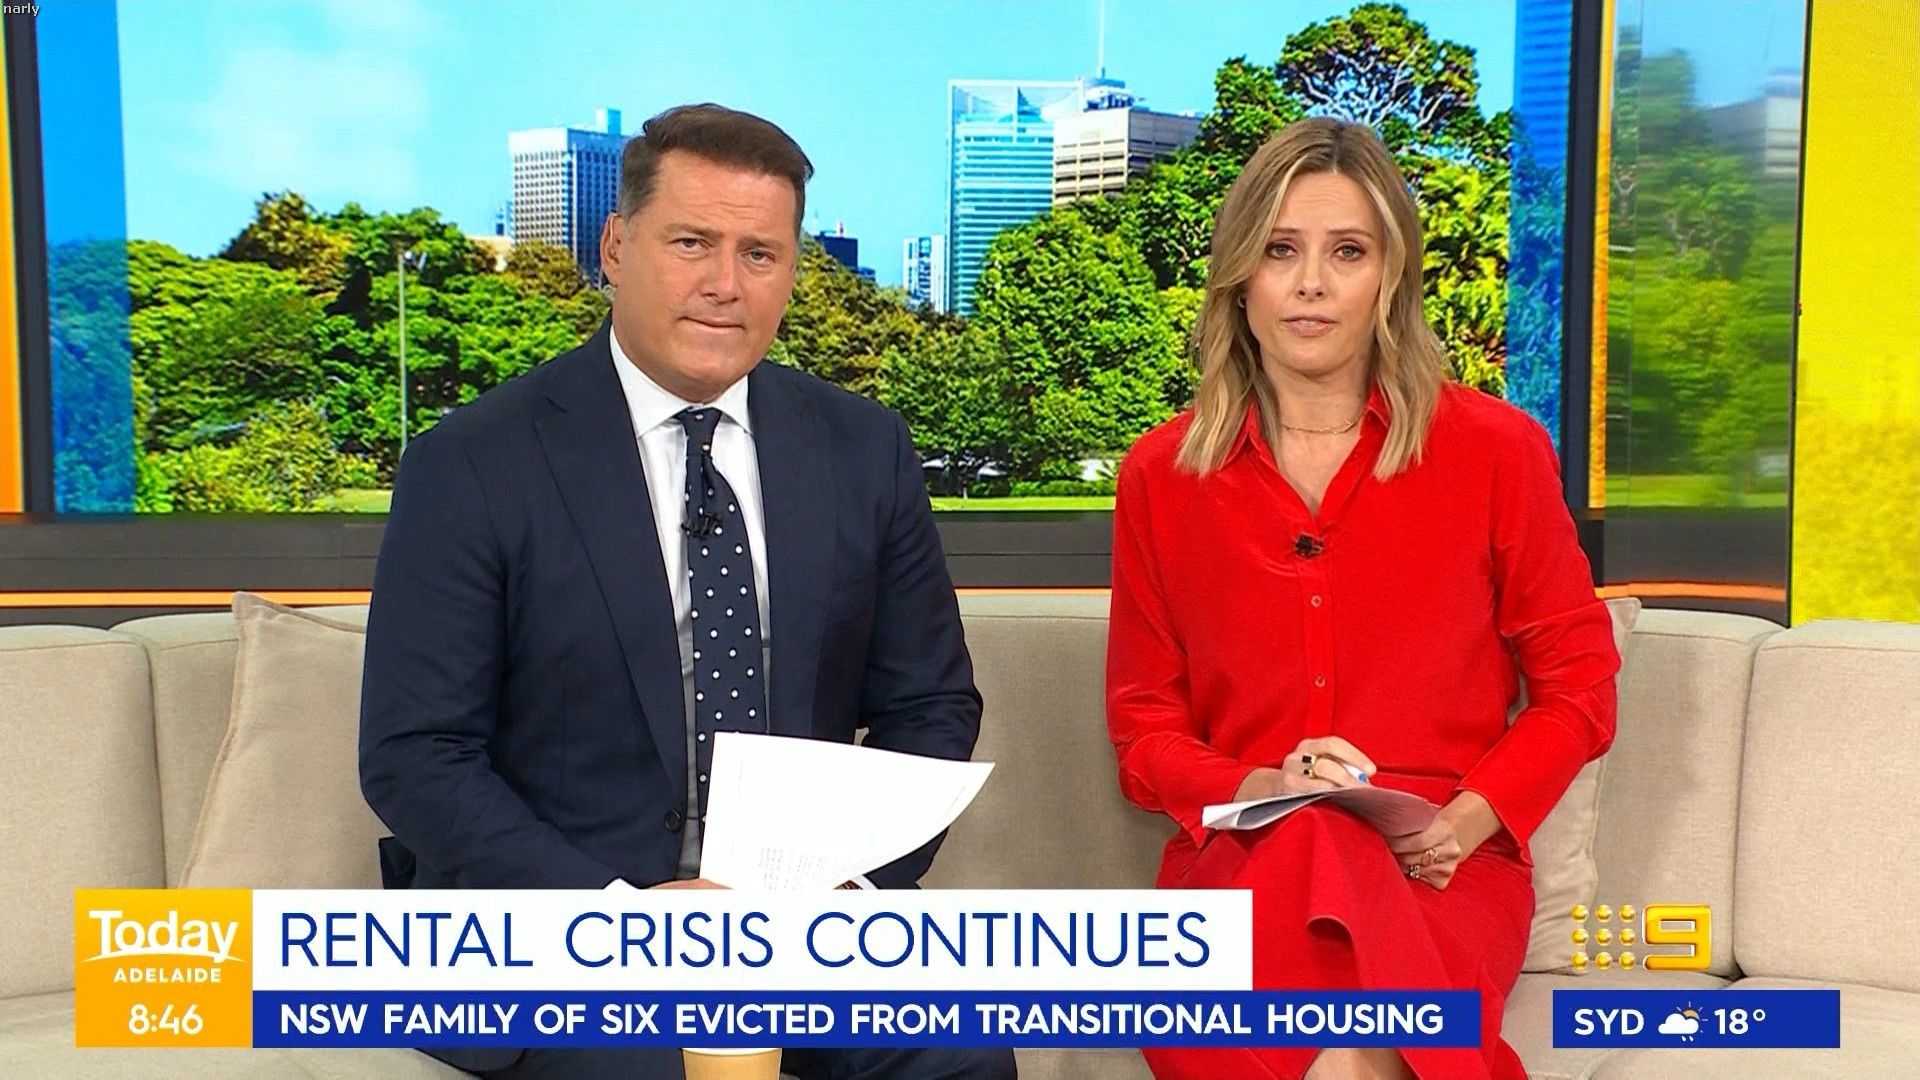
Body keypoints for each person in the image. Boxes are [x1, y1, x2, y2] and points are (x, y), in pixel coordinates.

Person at [360, 103, 1015, 1080]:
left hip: (804, 922)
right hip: (567, 929)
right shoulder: (472, 462)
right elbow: (416, 756)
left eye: (760, 254)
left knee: (961, 1053)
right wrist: (620, 919)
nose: (724, 283)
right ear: (616, 248)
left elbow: (931, 705)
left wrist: (848, 884)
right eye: (691, 243)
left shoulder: (864, 449)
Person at [1104, 117, 1618, 1080]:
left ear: (1391, 277)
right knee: (1314, 872)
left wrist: (1466, 820)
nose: (1310, 283)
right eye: (1279, 250)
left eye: (1347, 251)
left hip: (1440, 861)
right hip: (1247, 856)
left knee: (1335, 1011)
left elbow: (1580, 690)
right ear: (1240, 280)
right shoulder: (1162, 476)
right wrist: (1265, 791)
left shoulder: (1494, 452)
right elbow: (1144, 733)